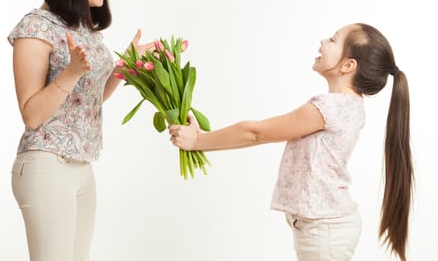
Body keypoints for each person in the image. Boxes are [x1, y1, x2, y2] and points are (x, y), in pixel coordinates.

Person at [168, 23, 413, 261]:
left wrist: (199, 141)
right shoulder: (349, 106)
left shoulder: (331, 107)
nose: (323, 41)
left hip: (323, 232)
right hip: (325, 229)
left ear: (348, 65)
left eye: (333, 39)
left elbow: (256, 133)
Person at [8, 0, 153, 261]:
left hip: (82, 166)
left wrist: (127, 65)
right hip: (46, 165)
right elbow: (31, 115)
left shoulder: (84, 30)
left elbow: (89, 100)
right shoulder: (36, 27)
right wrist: (71, 72)